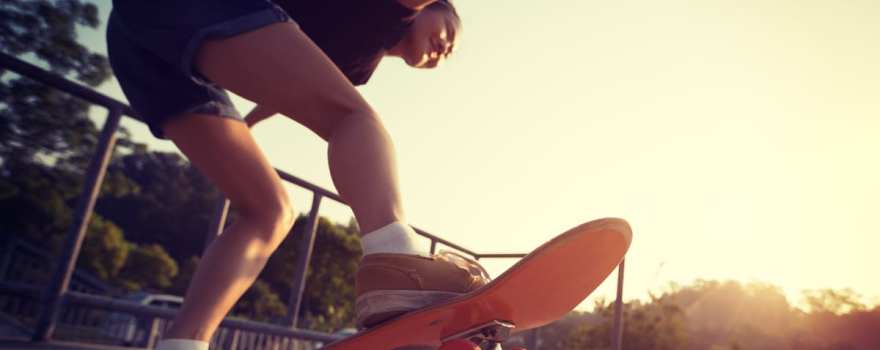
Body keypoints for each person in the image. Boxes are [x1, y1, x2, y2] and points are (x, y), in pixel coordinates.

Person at [106, 0, 491, 349]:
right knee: (355, 119)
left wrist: (247, 125)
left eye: (451, 52)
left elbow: (279, 84)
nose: (446, 49)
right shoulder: (396, 8)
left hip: (147, 52)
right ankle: (398, 259)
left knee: (270, 212)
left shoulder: (357, 65)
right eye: (449, 32)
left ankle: (182, 345)